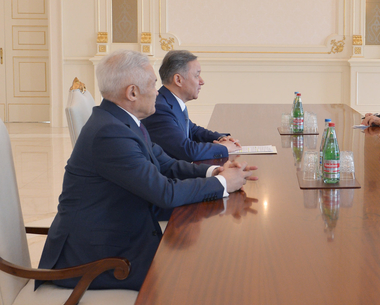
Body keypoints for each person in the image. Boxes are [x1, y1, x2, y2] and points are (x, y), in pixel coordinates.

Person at [37, 50, 257, 291]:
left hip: (117, 234)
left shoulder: (122, 121)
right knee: (203, 276)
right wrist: (223, 183)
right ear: (132, 92)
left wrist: (214, 173)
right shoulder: (110, 133)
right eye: (153, 85)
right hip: (95, 258)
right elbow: (164, 193)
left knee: (207, 259)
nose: (158, 92)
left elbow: (167, 164)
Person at [142, 50, 240, 162]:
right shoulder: (160, 109)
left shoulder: (170, 101)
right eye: (197, 76)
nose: (202, 81)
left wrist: (221, 138)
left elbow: (193, 130)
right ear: (178, 80)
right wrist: (224, 147)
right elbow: (187, 151)